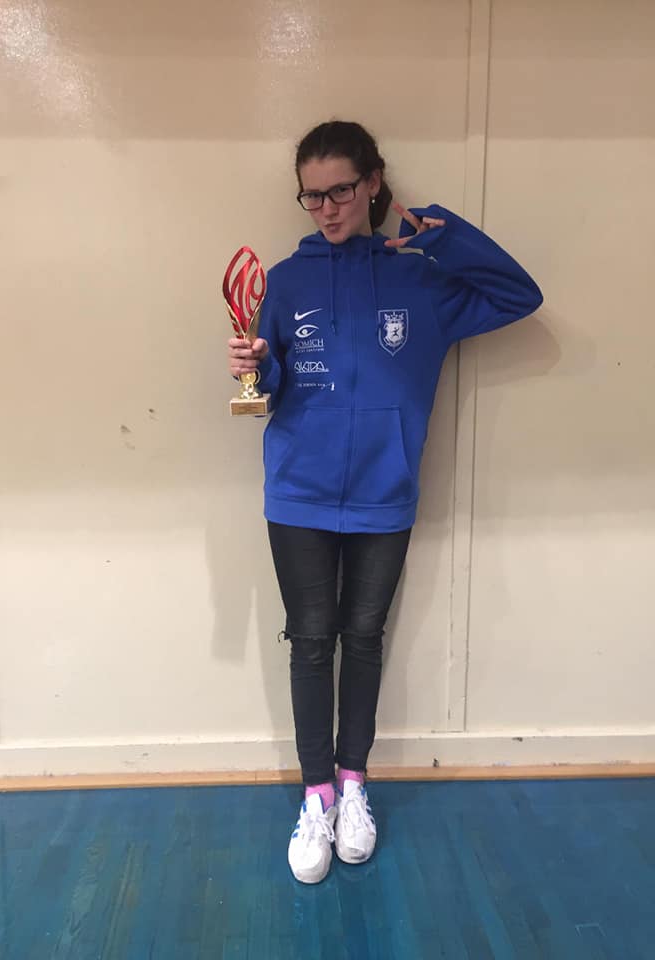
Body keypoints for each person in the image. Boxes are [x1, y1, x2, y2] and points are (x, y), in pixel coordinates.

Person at [227, 120, 543, 884]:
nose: (327, 208)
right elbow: (271, 387)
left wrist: (447, 238)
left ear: (372, 183)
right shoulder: (285, 281)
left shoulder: (421, 281)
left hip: (385, 493)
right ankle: (315, 797)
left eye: (340, 190)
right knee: (311, 641)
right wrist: (254, 364)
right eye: (311, 196)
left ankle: (354, 787)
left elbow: (519, 294)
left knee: (363, 638)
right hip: (299, 495)